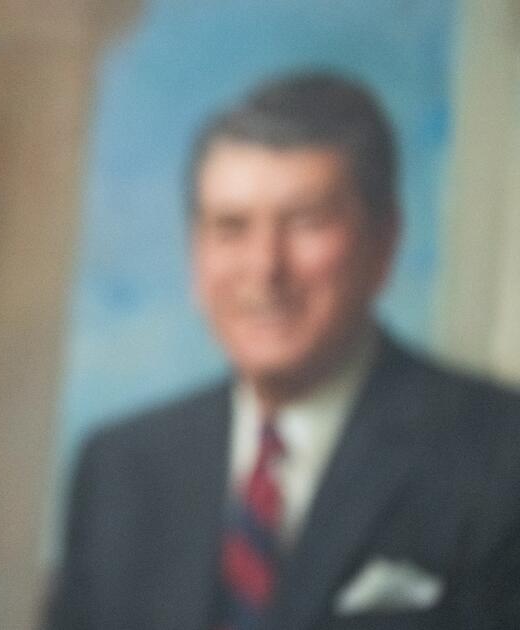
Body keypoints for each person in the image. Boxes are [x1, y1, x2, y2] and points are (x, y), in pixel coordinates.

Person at [47, 73, 520, 630]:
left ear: (384, 242)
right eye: (231, 227)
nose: (265, 268)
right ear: (195, 254)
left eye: (306, 223)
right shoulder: (119, 468)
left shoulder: (499, 455)